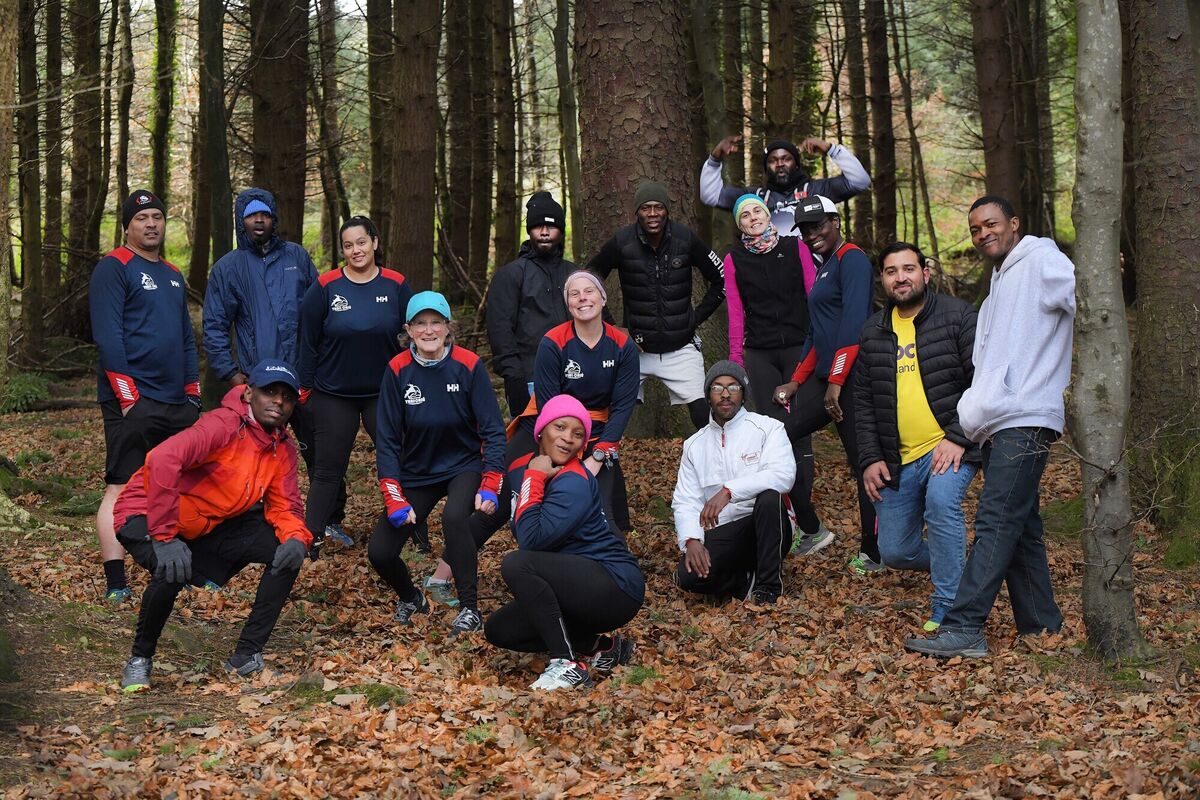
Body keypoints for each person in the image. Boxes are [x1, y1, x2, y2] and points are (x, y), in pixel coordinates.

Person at [906, 196, 1074, 659]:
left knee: (996, 519)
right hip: (999, 423)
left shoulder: (1040, 259)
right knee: (1021, 525)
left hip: (1026, 416)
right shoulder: (999, 281)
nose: (983, 234)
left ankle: (964, 627)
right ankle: (1041, 626)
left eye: (992, 224)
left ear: (1014, 223)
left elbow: (1083, 298)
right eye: (976, 228)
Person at [115, 360, 311, 692]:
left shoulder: (282, 448)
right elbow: (162, 460)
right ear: (249, 393)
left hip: (204, 524)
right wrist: (163, 536)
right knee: (172, 567)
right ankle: (140, 659)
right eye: (269, 392)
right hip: (146, 513)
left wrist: (296, 537)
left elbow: (285, 504)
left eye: (287, 397)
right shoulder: (222, 425)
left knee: (286, 551)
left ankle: (246, 657)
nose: (278, 402)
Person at [202, 189, 351, 545]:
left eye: (264, 215)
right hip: (258, 380)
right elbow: (215, 324)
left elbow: (321, 312)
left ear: (273, 219)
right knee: (249, 452)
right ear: (242, 221)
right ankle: (248, 518)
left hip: (302, 377)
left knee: (320, 449)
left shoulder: (297, 258)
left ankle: (329, 519)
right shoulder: (228, 268)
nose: (258, 221)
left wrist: (319, 366)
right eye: (252, 216)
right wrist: (231, 373)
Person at [855, 242, 980, 632]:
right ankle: (970, 565)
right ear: (883, 280)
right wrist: (870, 457)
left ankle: (947, 610)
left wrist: (958, 436)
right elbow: (862, 402)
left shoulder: (957, 315)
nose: (901, 277)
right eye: (891, 271)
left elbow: (983, 380)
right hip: (896, 458)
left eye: (908, 269)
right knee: (895, 550)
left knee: (942, 507)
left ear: (925, 273)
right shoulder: (873, 331)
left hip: (948, 447)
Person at [485, 395, 644, 690]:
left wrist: (534, 476)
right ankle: (603, 648)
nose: (568, 438)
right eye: (560, 427)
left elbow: (530, 540)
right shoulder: (532, 470)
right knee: (499, 629)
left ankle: (566, 663)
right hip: (579, 580)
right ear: (542, 430)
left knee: (518, 564)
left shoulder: (572, 481)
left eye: (578, 434)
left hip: (615, 584)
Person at [370, 292, 506, 634]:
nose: (428, 330)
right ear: (409, 330)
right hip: (416, 470)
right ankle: (411, 597)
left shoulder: (469, 365)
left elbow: (493, 430)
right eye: (420, 323)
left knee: (454, 517)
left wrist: (491, 482)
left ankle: (470, 608)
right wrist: (393, 494)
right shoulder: (397, 370)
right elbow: (386, 438)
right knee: (380, 552)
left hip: (463, 464)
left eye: (436, 323)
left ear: (448, 328)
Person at [90, 189, 201, 604]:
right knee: (121, 484)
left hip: (176, 401)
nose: (151, 223)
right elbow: (108, 335)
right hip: (132, 399)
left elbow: (185, 337)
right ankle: (117, 581)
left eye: (157, 216)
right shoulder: (113, 267)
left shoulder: (173, 274)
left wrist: (192, 392)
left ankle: (182, 565)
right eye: (142, 218)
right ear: (128, 225)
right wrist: (127, 396)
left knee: (179, 482)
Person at [773, 195, 880, 575]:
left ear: (835, 221)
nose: (811, 234)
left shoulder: (852, 259)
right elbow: (816, 334)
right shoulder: (824, 267)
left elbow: (853, 325)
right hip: (828, 380)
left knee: (864, 462)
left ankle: (875, 551)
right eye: (804, 229)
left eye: (818, 225)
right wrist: (795, 382)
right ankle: (812, 528)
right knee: (779, 435)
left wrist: (836, 380)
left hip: (853, 381)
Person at [722, 193, 834, 555]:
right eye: (744, 215)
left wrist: (822, 345)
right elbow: (736, 313)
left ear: (768, 215)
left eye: (757, 210)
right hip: (759, 353)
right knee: (775, 436)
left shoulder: (796, 247)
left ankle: (807, 524)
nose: (752, 217)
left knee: (798, 434)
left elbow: (814, 296)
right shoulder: (734, 259)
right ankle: (800, 519)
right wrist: (735, 360)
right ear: (739, 225)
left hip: (800, 348)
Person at [298, 216, 412, 552]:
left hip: (383, 393)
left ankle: (412, 534)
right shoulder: (325, 286)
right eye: (348, 245)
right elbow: (307, 340)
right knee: (327, 470)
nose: (355, 250)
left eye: (361, 242)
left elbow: (417, 332)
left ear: (375, 243)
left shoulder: (396, 284)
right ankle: (310, 539)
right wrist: (305, 390)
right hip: (334, 394)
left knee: (397, 462)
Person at [587, 180, 725, 431]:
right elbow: (588, 278)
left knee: (704, 417)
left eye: (658, 207)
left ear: (667, 210)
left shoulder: (685, 239)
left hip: (681, 347)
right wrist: (612, 328)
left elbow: (721, 280)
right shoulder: (622, 242)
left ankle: (716, 465)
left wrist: (694, 320)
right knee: (607, 413)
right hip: (635, 351)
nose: (652, 214)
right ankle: (599, 462)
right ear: (637, 211)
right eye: (645, 208)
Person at [673, 361, 796, 605]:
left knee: (769, 496)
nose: (726, 394)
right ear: (708, 396)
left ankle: (768, 587)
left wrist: (730, 491)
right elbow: (686, 500)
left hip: (769, 523)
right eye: (717, 387)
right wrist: (691, 540)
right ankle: (744, 581)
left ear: (743, 394)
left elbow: (784, 474)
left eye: (733, 387)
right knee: (687, 577)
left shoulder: (767, 428)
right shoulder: (694, 445)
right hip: (726, 531)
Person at [486, 191, 576, 417]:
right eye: (538, 227)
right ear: (530, 230)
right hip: (528, 379)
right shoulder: (511, 275)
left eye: (551, 227)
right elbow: (500, 330)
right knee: (530, 448)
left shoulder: (574, 274)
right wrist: (514, 379)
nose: (544, 232)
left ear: (560, 230)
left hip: (575, 377)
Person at [700, 136, 871, 234]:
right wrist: (715, 159)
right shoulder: (756, 198)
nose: (780, 164)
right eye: (773, 161)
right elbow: (710, 195)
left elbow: (860, 181)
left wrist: (830, 149)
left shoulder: (816, 190)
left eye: (786, 159)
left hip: (813, 276)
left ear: (796, 164)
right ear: (766, 168)